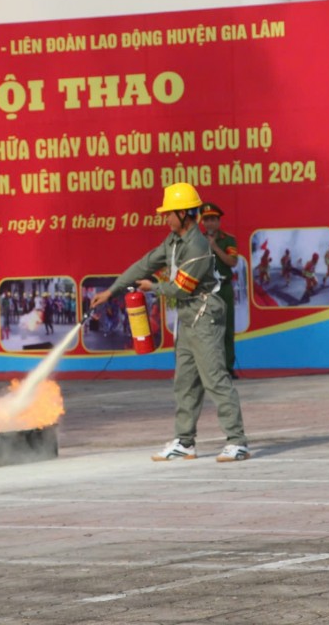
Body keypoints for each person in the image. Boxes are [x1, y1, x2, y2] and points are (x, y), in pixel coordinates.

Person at [90, 182, 249, 462]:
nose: (165, 218)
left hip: (204, 315)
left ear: (185, 214)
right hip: (188, 316)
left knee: (214, 378)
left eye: (169, 213)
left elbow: (180, 289)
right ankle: (185, 442)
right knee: (185, 381)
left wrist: (152, 288)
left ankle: (237, 441)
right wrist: (111, 291)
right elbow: (144, 264)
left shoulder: (198, 246)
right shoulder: (173, 242)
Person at [199, 201, 240, 378]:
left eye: (213, 219)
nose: (210, 223)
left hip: (223, 289)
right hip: (206, 291)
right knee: (207, 331)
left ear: (219, 221)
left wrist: (214, 247)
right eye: (206, 219)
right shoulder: (197, 240)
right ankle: (209, 369)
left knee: (227, 330)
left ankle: (228, 368)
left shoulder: (228, 240)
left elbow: (232, 261)